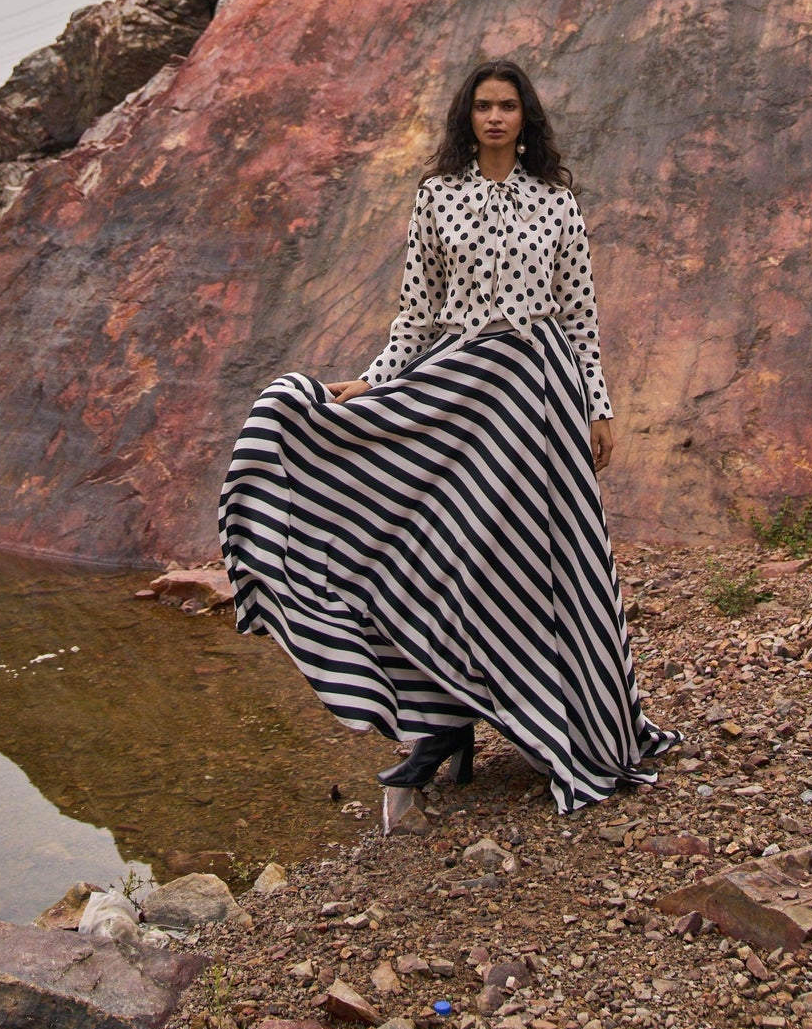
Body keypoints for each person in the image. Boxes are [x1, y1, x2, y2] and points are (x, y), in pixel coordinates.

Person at [219, 60, 680, 825]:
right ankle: (441, 724)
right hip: (458, 384)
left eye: (506, 106)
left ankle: (552, 718)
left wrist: (598, 408)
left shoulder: (556, 202)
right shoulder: (437, 196)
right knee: (437, 552)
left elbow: (578, 315)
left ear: (525, 118)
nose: (494, 116)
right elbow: (415, 309)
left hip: (536, 396)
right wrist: (375, 381)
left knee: (526, 560)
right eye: (483, 105)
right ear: (467, 116)